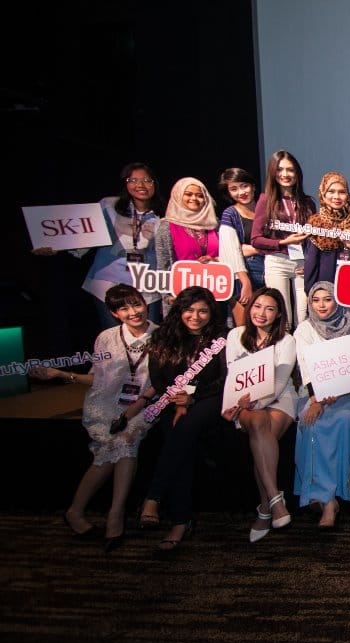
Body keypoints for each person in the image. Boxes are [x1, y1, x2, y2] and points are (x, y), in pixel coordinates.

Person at [30, 284, 157, 550]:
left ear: (145, 303)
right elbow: (97, 379)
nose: (133, 312)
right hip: (106, 403)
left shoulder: (162, 336)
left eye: (137, 304)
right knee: (118, 444)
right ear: (114, 313)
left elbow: (163, 381)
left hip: (142, 406)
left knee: (125, 439)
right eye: (124, 308)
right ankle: (101, 513)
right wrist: (61, 375)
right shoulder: (106, 338)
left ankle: (105, 512)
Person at [139, 286, 227, 555]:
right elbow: (158, 379)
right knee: (181, 439)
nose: (196, 317)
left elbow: (224, 378)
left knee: (183, 428)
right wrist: (178, 399)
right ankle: (181, 521)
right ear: (179, 310)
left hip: (210, 399)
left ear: (211, 313)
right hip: (173, 401)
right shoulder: (162, 337)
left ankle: (154, 496)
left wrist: (192, 397)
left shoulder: (222, 338)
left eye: (203, 311)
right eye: (189, 310)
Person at [39, 162, 165, 328]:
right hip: (108, 282)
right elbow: (83, 234)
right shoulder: (109, 205)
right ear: (125, 183)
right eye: (133, 180)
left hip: (148, 286)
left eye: (147, 180)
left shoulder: (164, 215)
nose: (140, 185)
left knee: (150, 337)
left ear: (155, 184)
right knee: (113, 337)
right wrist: (56, 246)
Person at [222, 287, 297, 542]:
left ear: (279, 314)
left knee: (261, 437)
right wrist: (238, 403)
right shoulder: (235, 335)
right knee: (257, 425)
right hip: (243, 401)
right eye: (257, 306)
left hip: (279, 398)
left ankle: (266, 508)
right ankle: (275, 500)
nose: (261, 313)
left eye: (269, 309)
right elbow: (233, 374)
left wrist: (258, 401)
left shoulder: (287, 341)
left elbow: (280, 382)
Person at [293, 281, 350, 529]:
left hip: (346, 393)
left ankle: (333, 491)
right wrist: (317, 399)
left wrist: (337, 389)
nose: (321, 305)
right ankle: (326, 499)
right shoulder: (304, 328)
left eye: (327, 299)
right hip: (313, 395)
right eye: (316, 300)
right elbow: (305, 366)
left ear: (337, 301)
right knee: (312, 423)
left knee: (345, 421)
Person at [154, 177, 251, 320]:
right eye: (188, 194)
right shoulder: (167, 227)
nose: (194, 198)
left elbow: (230, 254)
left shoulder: (216, 224)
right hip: (183, 299)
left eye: (200, 195)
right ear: (178, 195)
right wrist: (168, 297)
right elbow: (163, 266)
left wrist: (216, 260)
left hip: (215, 297)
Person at [251, 149, 317, 329]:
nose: (285, 174)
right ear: (273, 173)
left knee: (304, 318)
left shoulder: (308, 202)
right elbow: (256, 239)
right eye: (280, 169)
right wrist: (283, 242)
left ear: (297, 173)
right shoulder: (265, 200)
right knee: (283, 320)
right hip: (277, 262)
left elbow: (314, 238)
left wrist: (311, 262)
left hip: (302, 263)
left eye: (290, 170)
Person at [303, 172, 350, 292]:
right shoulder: (315, 222)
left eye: (342, 192)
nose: (336, 196)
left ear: (348, 194)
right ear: (323, 194)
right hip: (326, 288)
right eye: (331, 191)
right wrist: (311, 291)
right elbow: (311, 261)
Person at [217, 167, 265, 296]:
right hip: (247, 274)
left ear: (253, 186)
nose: (241, 192)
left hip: (273, 271)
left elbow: (280, 243)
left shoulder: (268, 209)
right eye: (234, 189)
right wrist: (245, 282)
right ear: (228, 193)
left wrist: (254, 249)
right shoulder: (230, 214)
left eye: (244, 186)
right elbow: (231, 252)